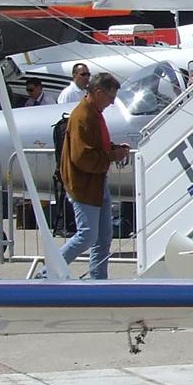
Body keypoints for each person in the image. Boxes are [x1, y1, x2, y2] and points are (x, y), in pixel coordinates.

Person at [55, 73, 130, 280]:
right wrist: (112, 155)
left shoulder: (94, 113)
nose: (112, 102)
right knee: (87, 235)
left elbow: (95, 147)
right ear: (98, 93)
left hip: (96, 183)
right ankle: (47, 273)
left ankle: (98, 280)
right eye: (110, 97)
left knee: (103, 237)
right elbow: (82, 157)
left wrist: (114, 149)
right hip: (83, 185)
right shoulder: (83, 115)